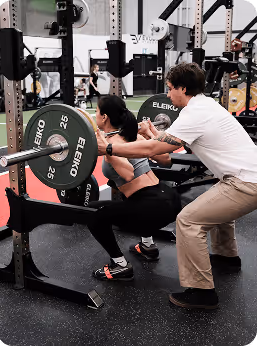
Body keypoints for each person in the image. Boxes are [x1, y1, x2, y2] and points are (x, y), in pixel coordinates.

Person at [96, 62, 257, 310]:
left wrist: (108, 148)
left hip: (246, 181)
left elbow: (155, 150)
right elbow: (166, 143)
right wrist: (152, 133)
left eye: (171, 89)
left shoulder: (195, 113)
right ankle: (227, 258)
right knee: (218, 206)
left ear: (183, 88)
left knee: (189, 221)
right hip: (243, 176)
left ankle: (202, 293)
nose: (168, 94)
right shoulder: (205, 106)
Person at [87, 95, 182, 281]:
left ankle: (120, 265)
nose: (96, 115)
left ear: (104, 117)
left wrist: (108, 151)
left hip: (152, 208)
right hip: (169, 198)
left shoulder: (113, 145)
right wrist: (150, 132)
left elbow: (129, 174)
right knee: (129, 198)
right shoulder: (134, 135)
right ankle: (148, 245)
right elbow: (166, 160)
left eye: (97, 112)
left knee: (93, 214)